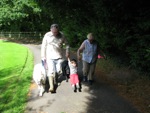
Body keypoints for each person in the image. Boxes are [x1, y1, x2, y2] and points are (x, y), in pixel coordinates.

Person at [41, 24, 69, 93]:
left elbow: (67, 44)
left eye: (56, 32)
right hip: (49, 56)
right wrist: (43, 56)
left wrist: (67, 51)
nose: (55, 34)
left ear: (58, 30)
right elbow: (43, 45)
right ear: (50, 30)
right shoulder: (47, 35)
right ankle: (51, 87)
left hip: (59, 56)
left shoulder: (62, 35)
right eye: (53, 32)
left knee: (58, 71)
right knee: (50, 71)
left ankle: (55, 80)